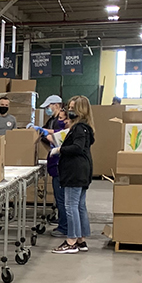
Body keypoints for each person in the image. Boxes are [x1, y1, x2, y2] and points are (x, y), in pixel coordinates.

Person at [50, 95, 95, 254]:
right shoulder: (83, 127)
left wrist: (59, 149)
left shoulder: (79, 128)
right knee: (79, 205)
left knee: (70, 206)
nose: (69, 110)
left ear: (80, 110)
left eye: (72, 108)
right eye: (69, 107)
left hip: (75, 172)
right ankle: (81, 239)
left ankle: (71, 240)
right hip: (81, 171)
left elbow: (77, 147)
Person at [39, 95, 70, 236]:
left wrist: (47, 134)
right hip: (54, 162)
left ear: (56, 105)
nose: (47, 109)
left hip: (60, 163)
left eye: (48, 106)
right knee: (59, 198)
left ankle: (64, 227)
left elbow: (59, 138)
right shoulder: (52, 121)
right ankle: (62, 220)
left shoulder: (61, 123)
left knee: (62, 197)